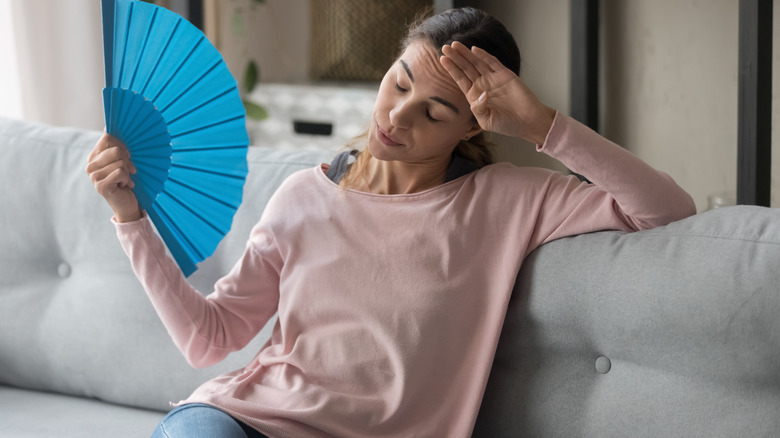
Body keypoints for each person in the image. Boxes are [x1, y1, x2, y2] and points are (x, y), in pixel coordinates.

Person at [85, 7, 695, 438]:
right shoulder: (304, 195)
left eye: (434, 111)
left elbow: (665, 209)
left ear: (473, 125)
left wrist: (540, 125)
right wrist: (131, 217)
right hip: (242, 420)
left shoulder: (507, 200)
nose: (398, 117)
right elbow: (208, 339)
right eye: (398, 83)